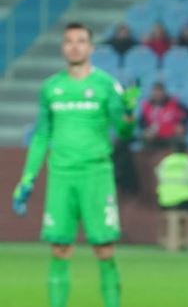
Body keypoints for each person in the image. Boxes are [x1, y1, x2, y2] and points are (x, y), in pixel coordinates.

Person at [11, 22, 138, 307]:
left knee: (105, 250)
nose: (75, 46)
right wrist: (27, 178)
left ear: (91, 48)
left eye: (81, 41)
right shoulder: (51, 88)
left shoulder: (106, 85)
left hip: (96, 174)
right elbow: (42, 136)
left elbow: (124, 132)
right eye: (69, 41)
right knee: (59, 249)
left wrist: (129, 114)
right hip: (61, 176)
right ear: (63, 48)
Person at [155, 140, 188, 248]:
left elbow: (159, 180)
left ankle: (164, 240)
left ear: (172, 149)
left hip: (164, 202)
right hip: (184, 201)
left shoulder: (165, 162)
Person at [139, 82, 188, 150]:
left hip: (171, 135)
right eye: (155, 92)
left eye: (160, 92)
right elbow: (142, 123)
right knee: (145, 137)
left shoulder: (174, 104)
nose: (158, 95)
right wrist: (147, 130)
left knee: (179, 139)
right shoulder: (147, 106)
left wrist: (181, 125)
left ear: (164, 93)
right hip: (155, 136)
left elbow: (186, 115)